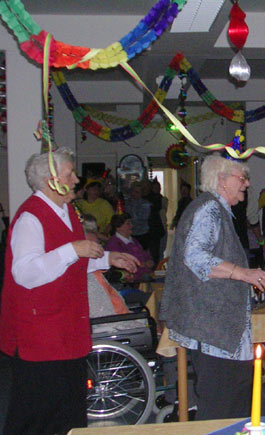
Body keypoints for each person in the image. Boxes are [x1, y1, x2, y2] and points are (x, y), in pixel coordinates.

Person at [0, 147, 139, 434]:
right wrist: (71, 249)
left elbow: (72, 261)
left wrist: (106, 258)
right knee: (37, 415)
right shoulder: (31, 217)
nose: (76, 179)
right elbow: (24, 274)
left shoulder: (66, 212)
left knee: (69, 412)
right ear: (50, 180)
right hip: (40, 335)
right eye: (70, 174)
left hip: (67, 330)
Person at [159, 154, 265, 420]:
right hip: (213, 329)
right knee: (222, 404)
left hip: (217, 328)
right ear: (221, 180)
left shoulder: (214, 209)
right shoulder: (209, 209)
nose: (246, 183)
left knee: (229, 399)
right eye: (241, 177)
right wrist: (243, 273)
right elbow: (195, 257)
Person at [105, 213, 155, 283]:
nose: (132, 226)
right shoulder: (113, 244)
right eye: (128, 224)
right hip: (132, 280)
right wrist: (141, 265)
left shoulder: (134, 240)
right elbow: (119, 267)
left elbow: (145, 255)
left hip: (146, 276)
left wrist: (150, 261)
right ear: (118, 227)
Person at [124, 181, 151, 251]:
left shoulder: (145, 204)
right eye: (134, 191)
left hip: (142, 234)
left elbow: (142, 218)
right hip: (129, 234)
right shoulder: (126, 202)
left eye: (138, 192)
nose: (135, 194)